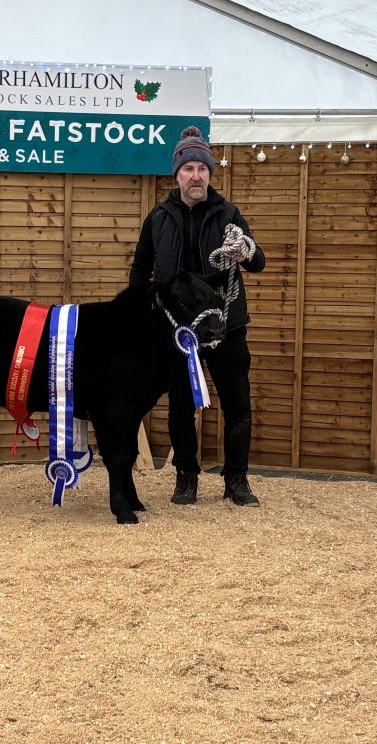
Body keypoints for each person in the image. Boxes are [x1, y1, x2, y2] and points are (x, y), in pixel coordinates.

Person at [129, 125, 266, 506]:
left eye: (202, 169)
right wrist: (142, 314)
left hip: (225, 326)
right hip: (179, 332)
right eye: (188, 168)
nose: (196, 175)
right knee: (179, 408)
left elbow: (259, 261)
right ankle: (186, 476)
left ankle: (236, 480)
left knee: (238, 404)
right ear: (177, 174)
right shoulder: (158, 217)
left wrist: (245, 253)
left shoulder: (229, 214)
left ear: (210, 173)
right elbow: (140, 271)